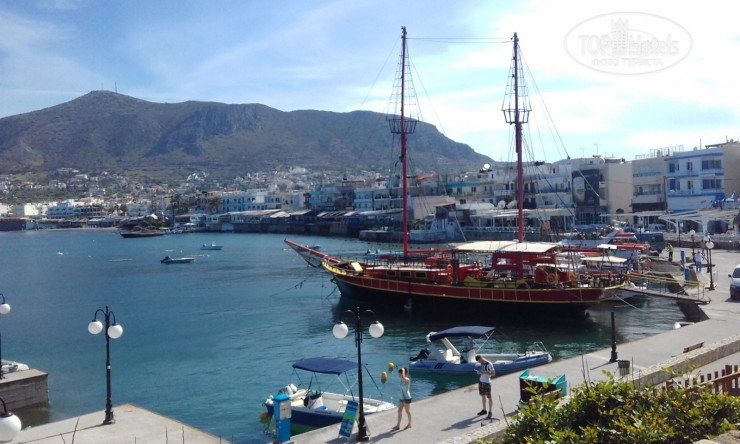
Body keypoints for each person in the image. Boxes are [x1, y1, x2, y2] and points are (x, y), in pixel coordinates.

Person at [476, 355, 495, 419]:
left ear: (481, 358)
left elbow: (493, 373)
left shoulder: (489, 364)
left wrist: (484, 373)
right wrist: (479, 373)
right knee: (483, 396)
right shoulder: (481, 364)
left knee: (489, 397)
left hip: (487, 382)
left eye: (479, 361)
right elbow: (481, 372)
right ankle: (484, 410)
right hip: (481, 381)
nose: (479, 362)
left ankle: (490, 411)